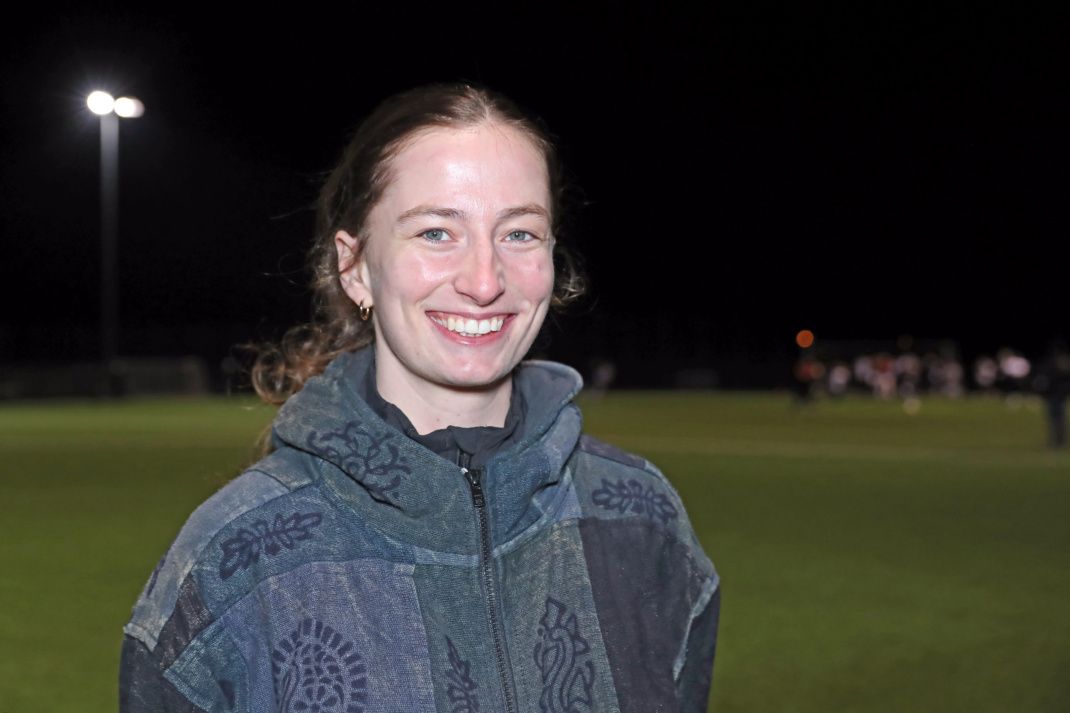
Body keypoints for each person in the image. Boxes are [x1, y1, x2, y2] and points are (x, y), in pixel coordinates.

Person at [119, 83, 719, 713]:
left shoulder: (642, 515)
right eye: (436, 232)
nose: (484, 281)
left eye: (519, 234)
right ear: (355, 267)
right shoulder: (231, 559)